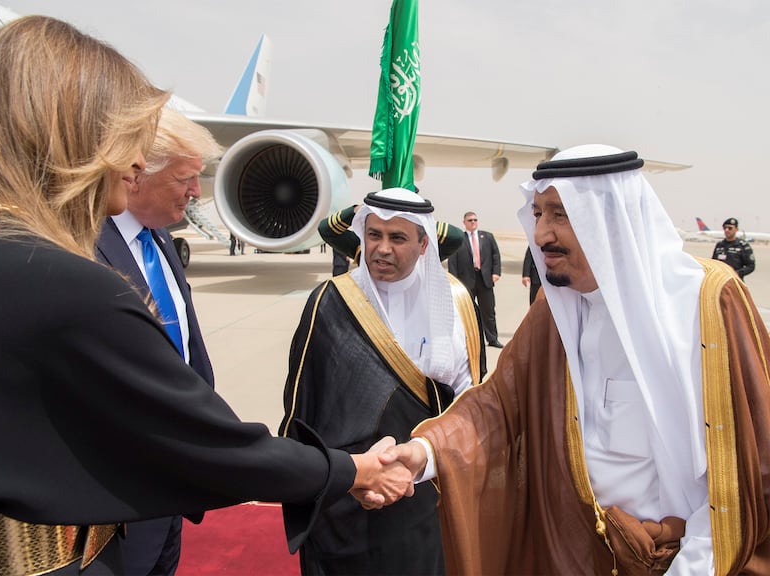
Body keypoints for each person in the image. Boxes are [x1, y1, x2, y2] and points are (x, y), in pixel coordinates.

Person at [0, 16, 411, 576]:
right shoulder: (66, 282)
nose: (135, 161)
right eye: (125, 137)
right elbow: (217, 450)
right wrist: (354, 471)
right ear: (73, 136)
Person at [377, 145, 770, 574]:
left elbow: (754, 463)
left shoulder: (707, 303)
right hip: (574, 550)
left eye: (560, 215)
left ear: (609, 221)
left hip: (690, 560)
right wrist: (423, 451)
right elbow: (498, 404)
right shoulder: (557, 308)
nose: (541, 232)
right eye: (539, 212)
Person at [280, 188, 486, 575]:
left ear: (424, 244)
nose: (382, 249)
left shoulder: (455, 302)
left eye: (398, 238)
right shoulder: (330, 299)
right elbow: (301, 406)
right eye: (374, 235)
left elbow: (470, 405)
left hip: (422, 492)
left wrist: (422, 465)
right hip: (342, 496)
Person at [95, 107, 222, 576]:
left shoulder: (161, 237)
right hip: (122, 498)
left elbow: (186, 350)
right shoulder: (83, 246)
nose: (196, 193)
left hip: (172, 482)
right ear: (136, 175)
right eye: (185, 179)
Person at [318, 203, 466, 263]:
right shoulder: (365, 245)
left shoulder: (422, 248)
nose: (384, 250)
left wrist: (419, 221)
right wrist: (356, 210)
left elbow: (456, 237)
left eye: (398, 238)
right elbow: (326, 230)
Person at [447, 211, 503, 347]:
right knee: (467, 312)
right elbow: (452, 261)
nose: (473, 222)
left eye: (475, 220)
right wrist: (455, 281)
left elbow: (495, 255)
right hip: (466, 281)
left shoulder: (487, 237)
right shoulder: (459, 239)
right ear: (464, 223)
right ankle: (469, 340)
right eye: (470, 220)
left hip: (484, 280)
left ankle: (492, 339)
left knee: (488, 311)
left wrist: (496, 273)